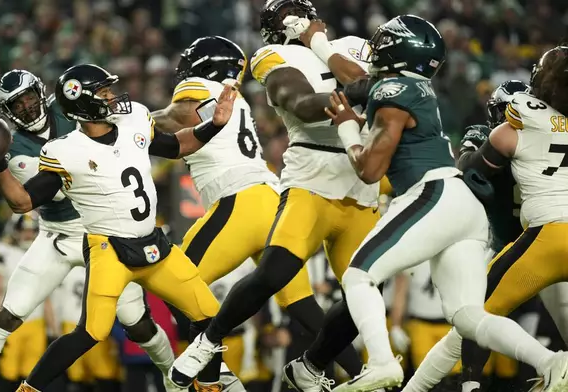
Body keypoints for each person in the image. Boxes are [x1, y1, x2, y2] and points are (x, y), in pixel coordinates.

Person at [282, 15, 568, 392]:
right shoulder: (408, 86)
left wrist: (347, 125)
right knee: (468, 317)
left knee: (358, 276)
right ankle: (550, 362)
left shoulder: (393, 90)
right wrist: (318, 41)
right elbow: (357, 80)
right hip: (464, 211)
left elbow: (369, 170)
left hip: (433, 193)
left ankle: (381, 362)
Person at [0, 63, 239, 392]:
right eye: (103, 92)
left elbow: (176, 146)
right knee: (91, 332)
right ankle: (29, 388)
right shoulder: (64, 151)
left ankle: (202, 384)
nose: (112, 96)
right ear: (83, 103)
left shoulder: (133, 120)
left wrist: (214, 125)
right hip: (107, 249)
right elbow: (23, 202)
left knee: (211, 315)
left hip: (154, 244)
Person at [169, 0, 385, 388]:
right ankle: (212, 358)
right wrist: (358, 95)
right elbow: (304, 105)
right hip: (304, 183)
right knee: (295, 296)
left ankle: (320, 371)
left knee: (364, 294)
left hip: (321, 188)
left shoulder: (351, 46)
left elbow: (373, 85)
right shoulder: (272, 57)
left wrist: (122, 131)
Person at [404, 46, 568, 392]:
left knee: (472, 317)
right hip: (534, 240)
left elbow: (471, 173)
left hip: (544, 239)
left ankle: (465, 385)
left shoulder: (521, 118)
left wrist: (469, 152)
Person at [0, 213, 57, 391]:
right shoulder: (3, 252)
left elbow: (46, 296)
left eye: (31, 230)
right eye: (23, 230)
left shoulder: (44, 254)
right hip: (10, 321)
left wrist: (53, 330)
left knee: (31, 378)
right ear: (14, 231)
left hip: (36, 323)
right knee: (7, 376)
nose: (27, 235)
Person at [59, 266, 123, 392]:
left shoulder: (68, 271)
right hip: (94, 324)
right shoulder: (102, 269)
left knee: (79, 374)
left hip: (73, 323)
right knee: (102, 372)